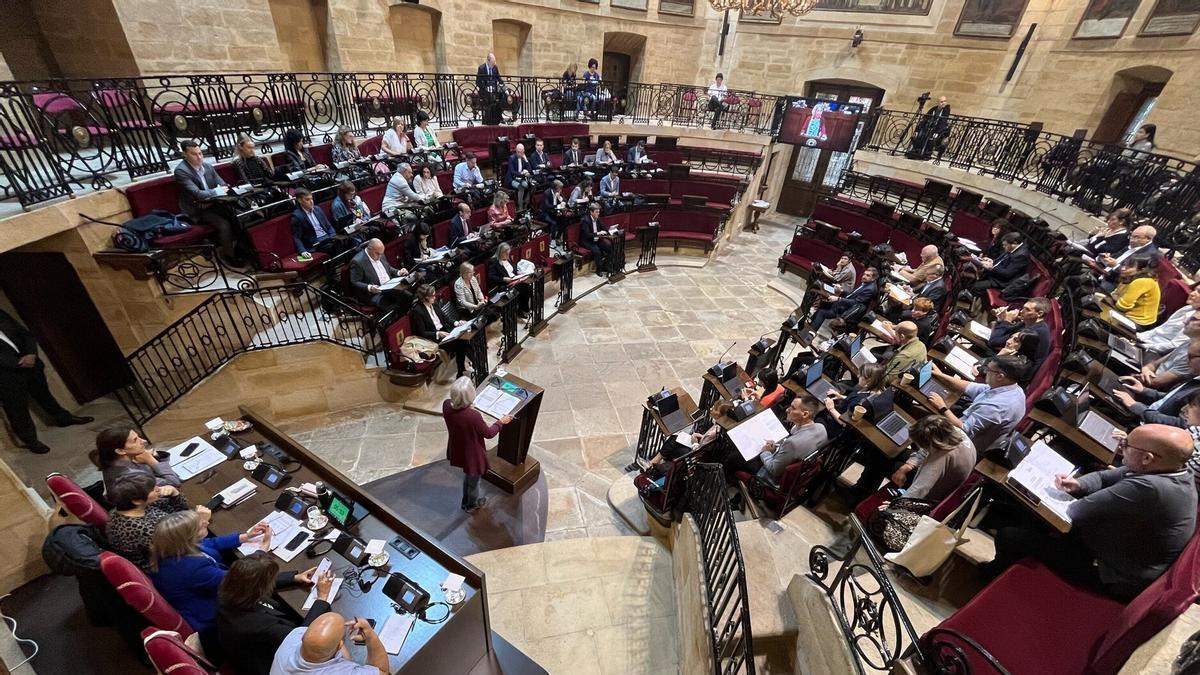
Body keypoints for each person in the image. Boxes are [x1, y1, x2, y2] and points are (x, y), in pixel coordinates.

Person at [983, 424, 1196, 601]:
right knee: (1029, 520)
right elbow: (1104, 478)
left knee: (1010, 536)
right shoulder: (1169, 470)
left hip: (1112, 575)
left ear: (1148, 458)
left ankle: (993, 589)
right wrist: (1077, 484)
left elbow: (1077, 511)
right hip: (1112, 547)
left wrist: (1079, 496)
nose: (1121, 449)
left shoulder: (1152, 489)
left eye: (1126, 445)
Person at [149, 510, 275, 655]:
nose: (206, 522)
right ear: (189, 538)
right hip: (215, 619)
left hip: (209, 595)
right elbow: (240, 578)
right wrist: (261, 553)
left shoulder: (173, 549)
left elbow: (210, 543)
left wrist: (246, 537)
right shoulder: (192, 569)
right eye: (201, 526)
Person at [218, 553, 335, 675]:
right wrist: (322, 598)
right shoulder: (261, 625)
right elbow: (300, 639)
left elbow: (248, 579)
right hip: (269, 663)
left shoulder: (229, 589)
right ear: (261, 587)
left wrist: (295, 578)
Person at [0, 310, 91, 454]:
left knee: (44, 395)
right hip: (6, 375)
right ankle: (31, 440)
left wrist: (31, 354)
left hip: (31, 365)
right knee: (17, 409)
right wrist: (16, 362)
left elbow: (25, 334)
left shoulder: (1, 314)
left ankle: (63, 418)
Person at [913, 354, 1028, 465]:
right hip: (970, 428)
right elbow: (970, 387)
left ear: (1000, 376)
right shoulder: (1015, 389)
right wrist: (941, 375)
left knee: (921, 421)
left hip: (961, 445)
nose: (985, 371)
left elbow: (964, 429)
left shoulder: (995, 408)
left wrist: (942, 407)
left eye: (989, 369)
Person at [444, 376, 513, 513]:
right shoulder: (472, 416)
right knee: (474, 481)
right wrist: (501, 422)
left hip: (458, 448)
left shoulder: (446, 405)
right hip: (472, 455)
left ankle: (466, 501)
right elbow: (488, 433)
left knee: (468, 476)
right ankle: (471, 505)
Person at [104, 473, 191, 571]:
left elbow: (180, 509)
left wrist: (174, 493)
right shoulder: (139, 529)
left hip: (176, 539)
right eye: (153, 489)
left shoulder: (132, 507)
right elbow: (182, 543)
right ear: (137, 500)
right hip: (166, 563)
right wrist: (201, 521)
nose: (158, 488)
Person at [173, 139, 237, 262]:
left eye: (200, 153)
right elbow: (198, 194)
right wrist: (217, 191)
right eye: (194, 154)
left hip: (215, 204)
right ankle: (229, 256)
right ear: (185, 155)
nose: (199, 157)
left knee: (237, 216)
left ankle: (241, 249)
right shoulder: (181, 171)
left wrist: (221, 190)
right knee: (224, 224)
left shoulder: (207, 166)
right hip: (197, 209)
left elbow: (223, 184)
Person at [269, 612, 389, 675]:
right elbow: (383, 672)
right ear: (340, 645)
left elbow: (346, 659)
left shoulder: (295, 635)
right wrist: (370, 635)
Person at [1115, 339, 1200, 427]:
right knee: (1113, 382)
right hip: (1145, 412)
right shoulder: (1196, 378)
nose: (1187, 361)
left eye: (1191, 357)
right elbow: (1169, 399)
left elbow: (1179, 424)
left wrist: (1134, 405)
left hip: (1146, 425)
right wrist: (1143, 390)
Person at [755, 394, 828, 487]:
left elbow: (774, 470)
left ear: (805, 414)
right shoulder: (821, 428)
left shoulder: (792, 444)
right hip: (802, 477)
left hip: (775, 481)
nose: (787, 410)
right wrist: (777, 446)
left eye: (793, 408)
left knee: (739, 461)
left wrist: (765, 452)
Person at [900, 415, 975, 503]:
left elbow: (920, 489)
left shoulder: (941, 457)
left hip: (932, 497)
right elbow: (924, 451)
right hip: (949, 479)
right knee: (903, 458)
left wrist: (896, 505)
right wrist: (909, 465)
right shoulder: (953, 432)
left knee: (891, 464)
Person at [410, 284, 470, 377]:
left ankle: (466, 368)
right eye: (433, 296)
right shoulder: (418, 311)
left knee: (466, 339)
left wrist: (457, 323)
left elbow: (445, 317)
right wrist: (438, 333)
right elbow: (421, 333)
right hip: (434, 338)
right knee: (461, 344)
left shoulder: (434, 304)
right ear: (426, 298)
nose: (435, 297)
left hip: (445, 331)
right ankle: (461, 371)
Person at [97, 427, 180, 495]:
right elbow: (174, 482)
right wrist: (150, 460)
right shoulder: (134, 477)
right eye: (135, 440)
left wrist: (155, 456)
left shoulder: (114, 461)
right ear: (120, 451)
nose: (144, 441)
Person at [986, 297, 1052, 371]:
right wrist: (1001, 319)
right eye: (1023, 308)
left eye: (1027, 310)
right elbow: (1004, 333)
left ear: (1039, 314)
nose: (1021, 311)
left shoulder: (1034, 332)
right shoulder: (1029, 322)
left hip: (1014, 372)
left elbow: (993, 342)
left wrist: (1006, 321)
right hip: (1010, 360)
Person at [809, 267, 879, 333]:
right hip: (844, 304)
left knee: (822, 312)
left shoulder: (869, 289)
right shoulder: (867, 284)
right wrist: (842, 291)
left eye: (868, 275)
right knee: (823, 301)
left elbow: (855, 303)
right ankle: (809, 326)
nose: (864, 276)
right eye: (864, 274)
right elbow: (853, 295)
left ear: (873, 278)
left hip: (846, 311)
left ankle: (809, 334)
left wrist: (838, 299)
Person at [350, 238, 411, 312]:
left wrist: (398, 272)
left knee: (410, 298)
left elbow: (388, 268)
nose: (380, 256)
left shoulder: (380, 253)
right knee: (394, 308)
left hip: (390, 285)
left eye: (381, 254)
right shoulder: (357, 261)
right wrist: (370, 287)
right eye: (377, 254)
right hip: (375, 293)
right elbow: (355, 281)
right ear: (370, 249)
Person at [1139, 285, 1200, 358]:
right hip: (1147, 342)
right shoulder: (1187, 308)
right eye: (1194, 290)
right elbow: (1160, 329)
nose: (1192, 293)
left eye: (1199, 292)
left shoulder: (1196, 322)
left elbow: (1174, 345)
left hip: (1157, 352)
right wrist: (1139, 337)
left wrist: (1143, 346)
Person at [1098, 225, 1159, 292]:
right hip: (1104, 273)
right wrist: (1106, 257)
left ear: (1148, 239)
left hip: (1116, 283)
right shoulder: (1134, 245)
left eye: (1136, 237)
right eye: (1131, 236)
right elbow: (1115, 257)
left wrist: (1116, 266)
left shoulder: (1149, 255)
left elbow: (1134, 276)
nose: (1131, 239)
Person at [290, 188, 345, 258]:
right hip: (315, 243)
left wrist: (333, 236)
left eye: (311, 199)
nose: (311, 201)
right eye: (307, 199)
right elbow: (297, 237)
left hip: (328, 238)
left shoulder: (318, 209)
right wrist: (302, 251)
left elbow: (329, 226)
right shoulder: (297, 216)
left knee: (348, 241)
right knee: (333, 247)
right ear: (300, 200)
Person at [1112, 255, 1161, 328]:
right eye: (1124, 265)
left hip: (1138, 322)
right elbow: (1115, 294)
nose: (1123, 268)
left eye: (1130, 267)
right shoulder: (1128, 277)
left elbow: (1122, 306)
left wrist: (1118, 299)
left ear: (1141, 269)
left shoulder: (1143, 281)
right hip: (1127, 314)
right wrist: (1118, 299)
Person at [488, 243, 531, 317]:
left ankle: (524, 309)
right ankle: (523, 310)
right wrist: (503, 279)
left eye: (508, 253)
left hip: (515, 280)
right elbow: (491, 276)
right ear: (501, 252)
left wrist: (519, 273)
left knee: (527, 286)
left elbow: (513, 269)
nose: (508, 255)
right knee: (522, 288)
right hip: (504, 285)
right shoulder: (494, 261)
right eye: (506, 254)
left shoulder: (508, 258)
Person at [580, 202, 610, 277]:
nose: (598, 214)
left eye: (599, 212)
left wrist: (610, 230)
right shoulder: (585, 221)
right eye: (596, 212)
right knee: (597, 251)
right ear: (591, 212)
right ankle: (598, 270)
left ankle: (605, 266)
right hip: (587, 241)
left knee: (609, 247)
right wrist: (599, 233)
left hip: (596, 239)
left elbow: (603, 227)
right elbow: (587, 235)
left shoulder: (598, 219)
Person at [476, 53, 504, 125]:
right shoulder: (481, 68)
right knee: (490, 97)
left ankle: (499, 117)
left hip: (494, 90)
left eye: (494, 62)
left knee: (502, 96)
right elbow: (478, 82)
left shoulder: (495, 67)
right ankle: (488, 118)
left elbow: (499, 78)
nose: (494, 64)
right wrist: (485, 88)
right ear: (488, 61)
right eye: (492, 62)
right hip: (484, 91)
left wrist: (504, 86)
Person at [542, 179, 566, 244]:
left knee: (564, 221)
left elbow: (564, 200)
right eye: (560, 189)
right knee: (554, 223)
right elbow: (547, 205)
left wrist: (561, 199)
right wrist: (557, 206)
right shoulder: (547, 193)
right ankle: (552, 240)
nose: (561, 190)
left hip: (555, 212)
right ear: (555, 188)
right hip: (546, 213)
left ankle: (558, 237)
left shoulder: (559, 192)